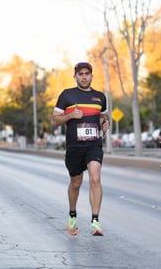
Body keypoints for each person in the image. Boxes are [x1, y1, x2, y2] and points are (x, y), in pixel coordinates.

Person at [51, 62, 110, 236]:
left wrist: (105, 125)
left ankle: (95, 221)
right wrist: (70, 115)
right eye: (81, 74)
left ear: (91, 76)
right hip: (75, 147)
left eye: (87, 74)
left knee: (95, 178)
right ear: (75, 76)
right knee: (76, 183)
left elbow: (103, 118)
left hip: (93, 145)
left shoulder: (100, 97)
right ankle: (72, 214)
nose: (84, 76)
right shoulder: (67, 95)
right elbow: (54, 120)